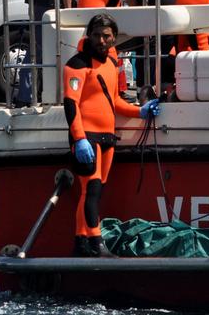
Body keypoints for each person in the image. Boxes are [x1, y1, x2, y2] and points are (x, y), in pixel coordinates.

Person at [63, 14, 160, 257]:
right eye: (96, 35)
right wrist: (80, 138)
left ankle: (81, 242)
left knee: (93, 191)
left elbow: (114, 100)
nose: (101, 40)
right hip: (86, 136)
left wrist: (140, 112)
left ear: (114, 38)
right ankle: (97, 243)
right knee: (91, 189)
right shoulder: (76, 65)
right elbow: (70, 104)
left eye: (106, 36)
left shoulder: (109, 64)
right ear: (89, 36)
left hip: (107, 136)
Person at [124, 0, 176, 88]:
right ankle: (145, 92)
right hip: (150, 24)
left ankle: (168, 90)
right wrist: (141, 14)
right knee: (148, 60)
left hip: (174, 24)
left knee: (170, 60)